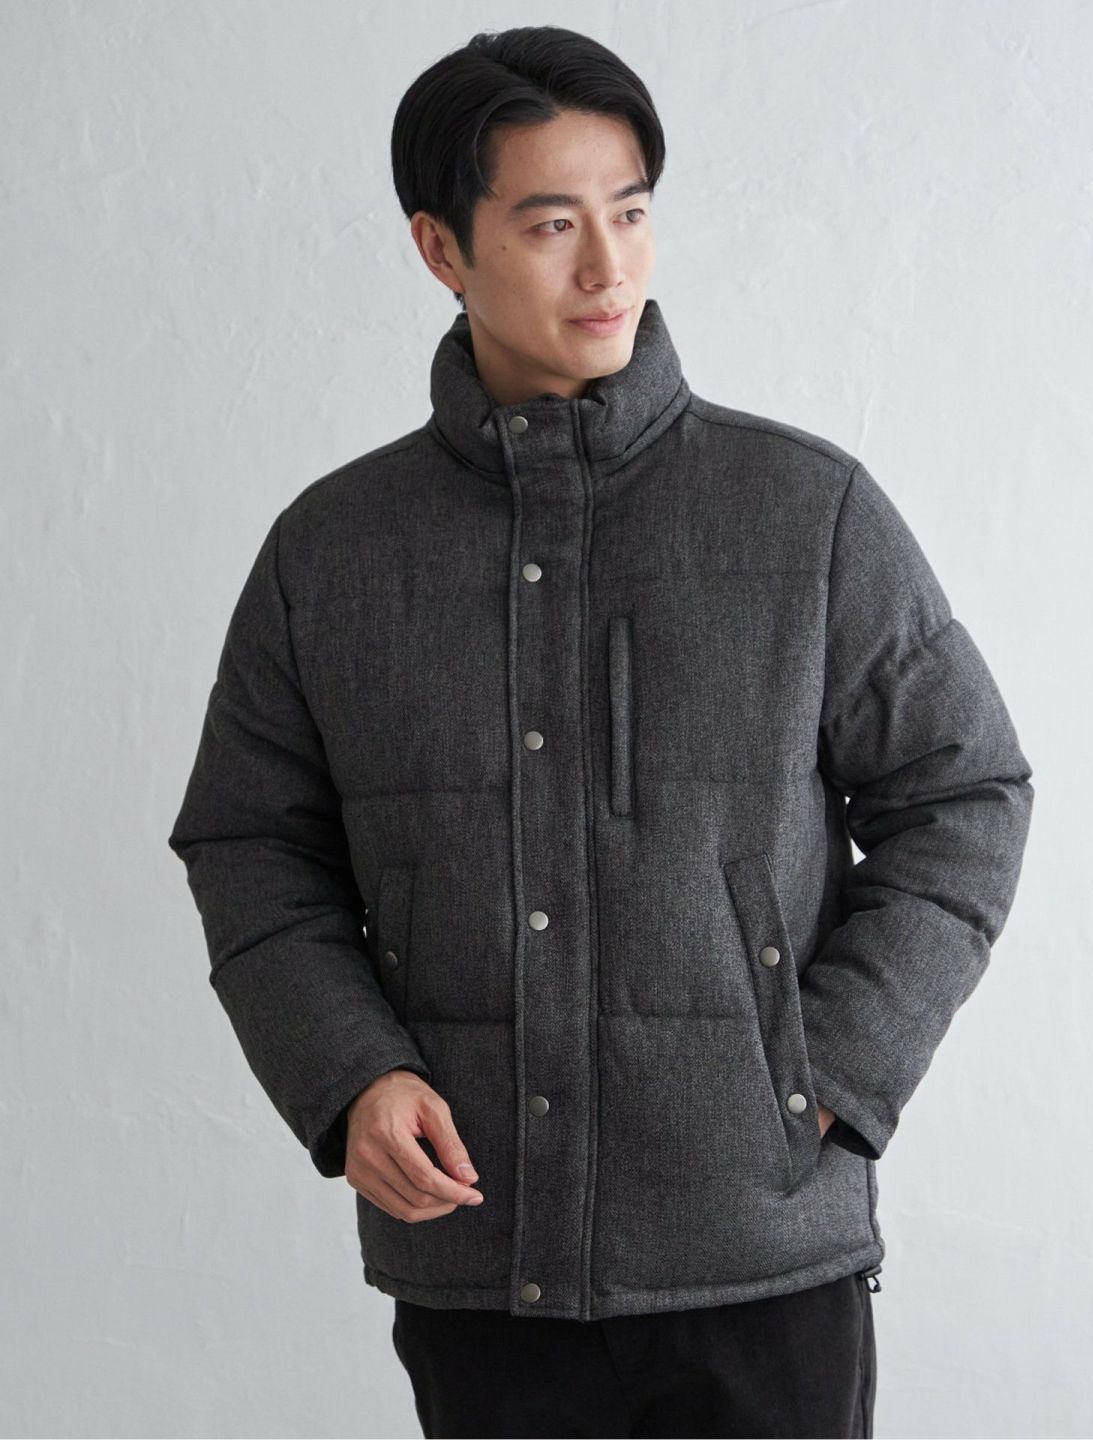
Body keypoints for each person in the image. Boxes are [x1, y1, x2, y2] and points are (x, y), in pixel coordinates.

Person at [168, 24, 1033, 1440]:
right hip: (482, 1258)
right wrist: (351, 1073)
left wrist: (829, 1071)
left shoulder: (802, 512)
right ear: (442, 250)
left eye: (630, 213)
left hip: (764, 1260)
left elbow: (967, 795)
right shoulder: (331, 553)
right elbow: (249, 844)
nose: (608, 267)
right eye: (551, 224)